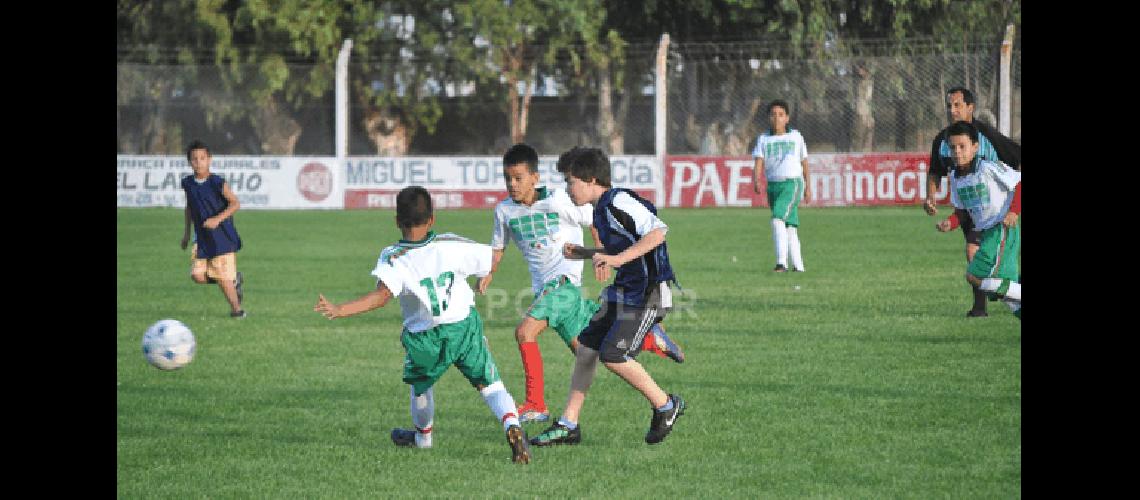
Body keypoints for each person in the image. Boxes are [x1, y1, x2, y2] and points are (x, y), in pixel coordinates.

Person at [313, 186, 532, 464]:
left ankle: (423, 439)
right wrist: (486, 277)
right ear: (432, 219)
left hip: (424, 336)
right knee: (490, 384)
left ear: (396, 221)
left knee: (421, 386)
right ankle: (512, 423)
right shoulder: (451, 243)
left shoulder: (394, 256)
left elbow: (381, 297)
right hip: (463, 327)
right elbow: (492, 258)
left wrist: (340, 310)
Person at [479, 144, 685, 424]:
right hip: (546, 289)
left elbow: (597, 220)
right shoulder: (504, 211)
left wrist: (602, 253)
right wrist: (489, 273)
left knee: (525, 332)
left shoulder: (559, 200)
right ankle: (651, 341)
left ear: (534, 178)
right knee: (587, 352)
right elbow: (498, 246)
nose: (512, 184)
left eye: (518, 178)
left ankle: (536, 403)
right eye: (507, 179)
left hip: (563, 283)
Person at [924, 87, 1022, 317]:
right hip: (986, 229)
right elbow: (961, 210)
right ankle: (983, 308)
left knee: (976, 276)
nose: (957, 152)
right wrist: (950, 222)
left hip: (1002, 227)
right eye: (953, 148)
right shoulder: (957, 176)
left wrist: (1014, 212)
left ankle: (979, 309)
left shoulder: (989, 167)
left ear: (975, 147)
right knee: (1003, 289)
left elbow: (1018, 182)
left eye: (962, 147)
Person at [180, 140, 246, 318]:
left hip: (221, 237)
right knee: (197, 276)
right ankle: (233, 281)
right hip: (201, 237)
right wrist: (186, 233)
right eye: (194, 159)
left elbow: (235, 203)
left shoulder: (217, 182)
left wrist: (217, 219)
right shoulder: (187, 183)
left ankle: (237, 311)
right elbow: (189, 207)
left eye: (202, 158)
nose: (199, 162)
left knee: (222, 277)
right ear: (189, 162)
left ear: (209, 160)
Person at [751, 100, 812, 273]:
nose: (776, 118)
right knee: (789, 226)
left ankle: (781, 263)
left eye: (780, 115)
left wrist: (808, 186)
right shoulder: (764, 139)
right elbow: (759, 161)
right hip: (773, 185)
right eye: (773, 115)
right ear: (768, 118)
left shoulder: (795, 137)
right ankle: (799, 267)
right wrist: (756, 180)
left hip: (792, 183)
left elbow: (804, 161)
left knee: (777, 219)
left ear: (787, 118)